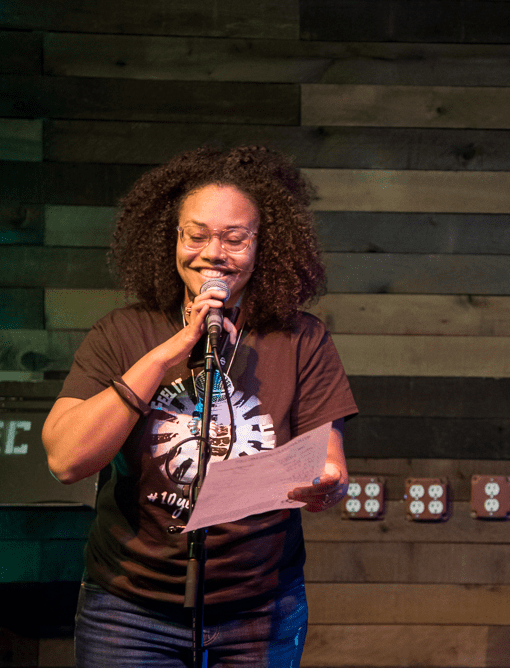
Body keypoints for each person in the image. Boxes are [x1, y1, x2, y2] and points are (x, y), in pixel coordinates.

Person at [41, 146, 358, 667]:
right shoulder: (123, 333)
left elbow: (329, 463)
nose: (214, 252)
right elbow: (66, 460)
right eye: (197, 235)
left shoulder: (301, 340)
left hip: (258, 610)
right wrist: (172, 348)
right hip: (130, 608)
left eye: (235, 239)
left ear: (263, 248)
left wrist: (326, 483)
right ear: (173, 239)